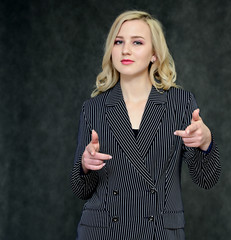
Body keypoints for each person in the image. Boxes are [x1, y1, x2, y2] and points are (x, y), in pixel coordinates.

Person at [71, 10, 221, 240]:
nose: (125, 50)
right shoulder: (93, 108)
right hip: (102, 231)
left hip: (159, 231)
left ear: (154, 54)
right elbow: (81, 189)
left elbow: (206, 179)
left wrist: (206, 142)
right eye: (118, 41)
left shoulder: (180, 103)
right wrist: (85, 164)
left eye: (137, 42)